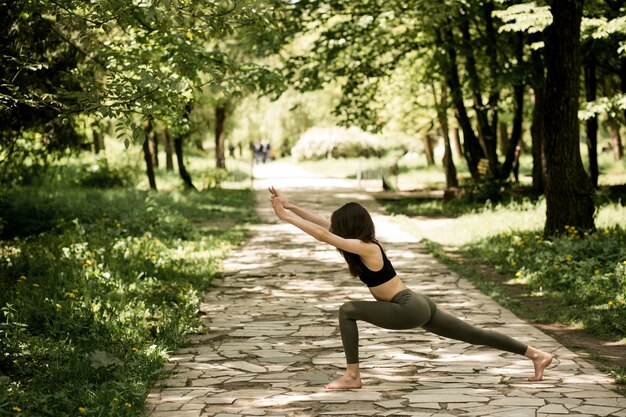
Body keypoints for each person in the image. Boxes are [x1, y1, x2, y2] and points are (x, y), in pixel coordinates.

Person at [268, 187, 553, 390]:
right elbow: (325, 226)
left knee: (347, 311)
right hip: (417, 303)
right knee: (473, 334)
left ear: (349, 228)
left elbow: (323, 234)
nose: (334, 229)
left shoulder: (366, 248)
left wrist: (286, 219)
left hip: (407, 307)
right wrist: (291, 206)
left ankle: (352, 376)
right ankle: (536, 355)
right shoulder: (363, 243)